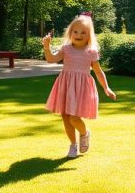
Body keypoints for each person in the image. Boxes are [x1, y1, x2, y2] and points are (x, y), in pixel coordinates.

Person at [42, 13, 116, 158]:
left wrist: (106, 87)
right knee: (65, 116)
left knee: (74, 118)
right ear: (70, 33)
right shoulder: (66, 48)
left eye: (83, 32)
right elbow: (51, 59)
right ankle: (72, 145)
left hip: (81, 88)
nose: (79, 35)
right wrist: (46, 46)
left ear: (89, 35)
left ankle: (84, 133)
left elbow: (98, 71)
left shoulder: (91, 52)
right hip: (66, 85)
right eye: (75, 31)